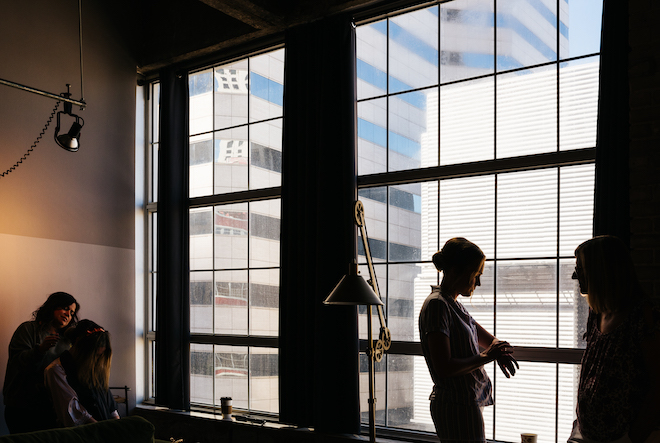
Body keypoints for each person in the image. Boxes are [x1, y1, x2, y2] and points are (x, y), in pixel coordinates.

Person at [419, 237, 518, 443]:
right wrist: (488, 356)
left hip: (464, 402)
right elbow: (444, 367)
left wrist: (499, 350)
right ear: (455, 271)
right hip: (456, 405)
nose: (478, 283)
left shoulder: (452, 304)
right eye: (476, 275)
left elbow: (486, 338)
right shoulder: (438, 306)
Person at [568, 236, 660, 443]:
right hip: (585, 433)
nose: (575, 276)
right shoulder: (596, 313)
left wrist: (633, 437)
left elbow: (658, 383)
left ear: (601, 270)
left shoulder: (643, 316)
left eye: (581, 268)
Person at [3, 291, 79, 433]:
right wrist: (40, 350)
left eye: (72, 312)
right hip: (22, 407)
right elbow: (17, 362)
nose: (69, 314)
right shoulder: (28, 329)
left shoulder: (67, 341)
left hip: (51, 408)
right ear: (52, 307)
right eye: (65, 308)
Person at [44, 319, 119, 426]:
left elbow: (111, 408)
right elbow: (74, 412)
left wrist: (119, 427)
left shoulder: (94, 368)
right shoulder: (56, 370)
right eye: (95, 355)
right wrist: (104, 432)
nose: (97, 360)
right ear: (80, 346)